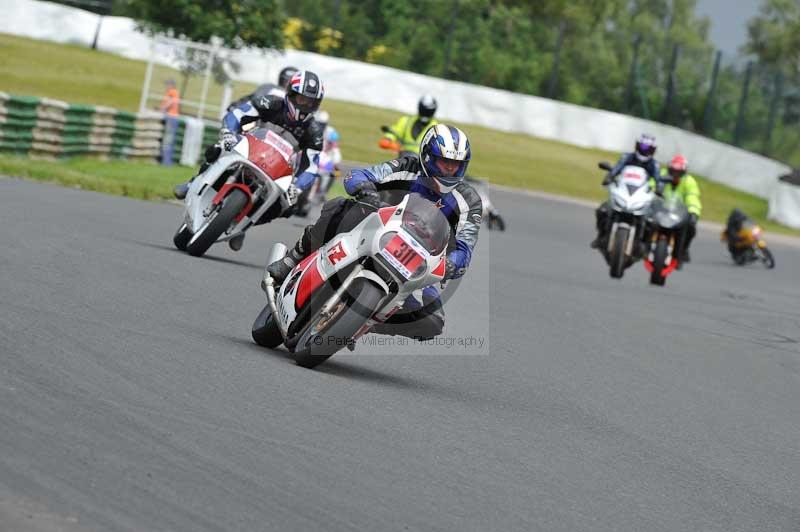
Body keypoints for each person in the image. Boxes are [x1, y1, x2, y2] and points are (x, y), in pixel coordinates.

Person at [266, 124, 482, 340]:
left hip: (418, 260)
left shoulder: (469, 201)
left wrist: (453, 263)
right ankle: (293, 258)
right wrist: (365, 190)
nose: (450, 170)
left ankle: (362, 322)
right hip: (378, 230)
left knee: (433, 321)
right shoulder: (408, 166)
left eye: (456, 165)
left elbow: (465, 246)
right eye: (444, 162)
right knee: (340, 206)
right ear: (427, 157)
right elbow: (359, 175)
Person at [173, 70, 326, 250]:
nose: (305, 105)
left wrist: (297, 187)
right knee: (218, 149)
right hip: (250, 146)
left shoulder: (314, 131)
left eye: (311, 102)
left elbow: (312, 166)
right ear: (291, 94)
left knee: (287, 207)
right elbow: (237, 114)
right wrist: (228, 133)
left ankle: (245, 224)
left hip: (279, 166)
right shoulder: (270, 103)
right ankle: (193, 182)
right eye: (302, 99)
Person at [591, 134, 660, 249]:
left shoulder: (654, 164)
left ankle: (644, 245)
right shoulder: (627, 157)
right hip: (623, 191)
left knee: (653, 221)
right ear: (637, 146)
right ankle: (600, 236)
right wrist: (609, 177)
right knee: (602, 210)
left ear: (653, 150)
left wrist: (659, 188)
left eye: (647, 148)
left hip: (640, 195)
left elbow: (658, 179)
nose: (644, 151)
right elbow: (617, 168)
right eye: (642, 147)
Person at [654, 154, 701, 262]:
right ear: (669, 169)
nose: (675, 175)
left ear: (684, 172)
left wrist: (694, 212)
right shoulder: (661, 175)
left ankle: (683, 249)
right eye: (673, 171)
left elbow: (692, 197)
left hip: (678, 213)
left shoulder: (689, 181)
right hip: (660, 210)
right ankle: (639, 243)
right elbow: (650, 186)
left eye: (678, 172)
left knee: (691, 227)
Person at [227, 66, 298, 111]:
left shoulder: (296, 98)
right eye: (285, 81)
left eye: (289, 82)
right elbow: (253, 98)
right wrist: (236, 106)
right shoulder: (269, 87)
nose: (286, 84)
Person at [159, 79, 180, 166]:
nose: (166, 86)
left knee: (168, 140)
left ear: (171, 85)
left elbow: (170, 102)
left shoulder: (172, 92)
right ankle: (166, 161)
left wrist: (162, 109)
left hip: (171, 117)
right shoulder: (173, 92)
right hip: (172, 117)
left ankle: (166, 162)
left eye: (168, 84)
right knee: (169, 140)